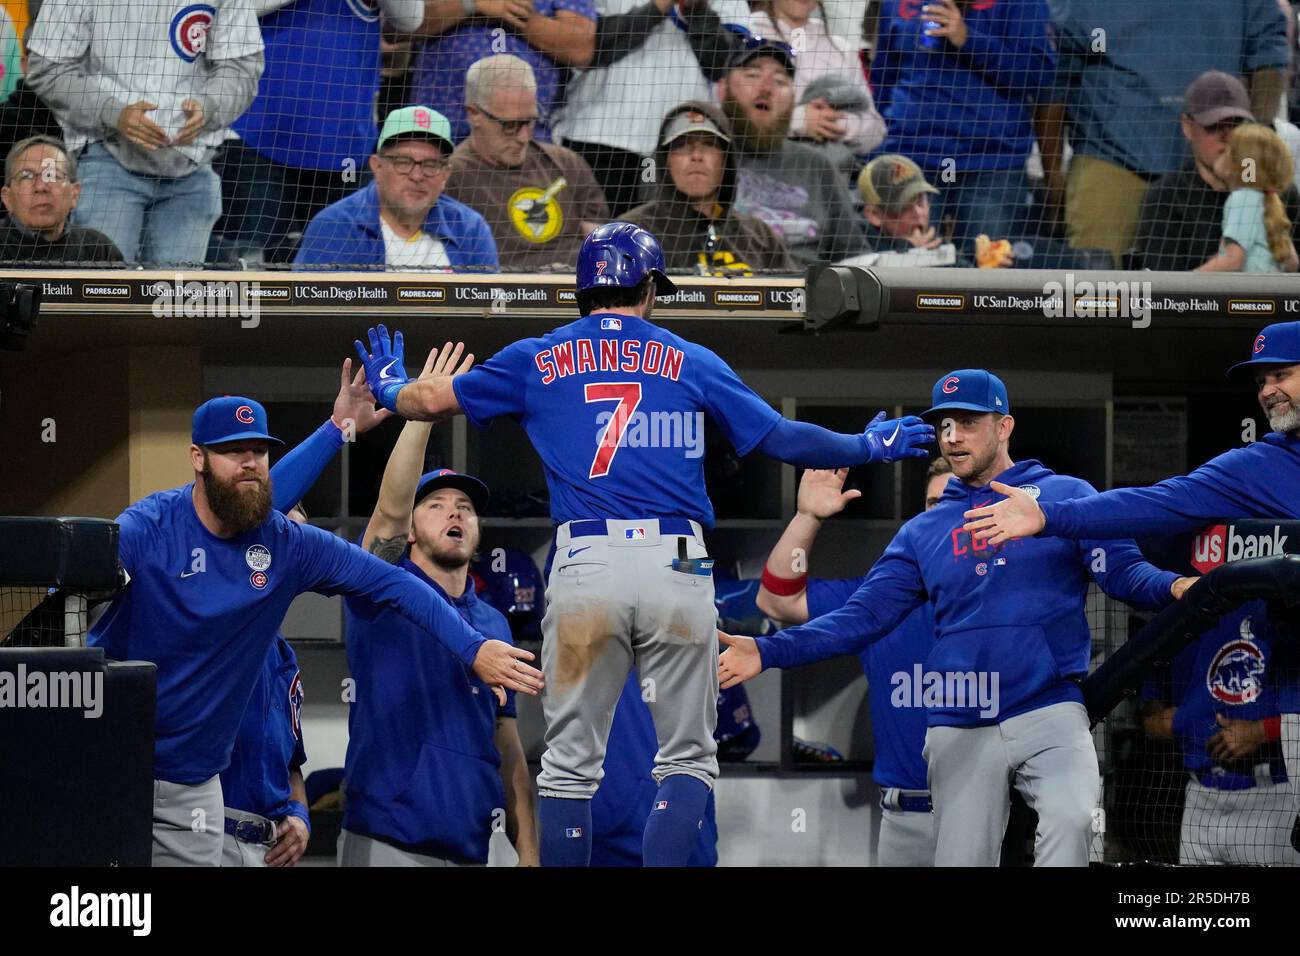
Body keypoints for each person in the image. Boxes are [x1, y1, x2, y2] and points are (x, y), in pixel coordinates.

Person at [352, 221, 934, 866]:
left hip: (585, 558)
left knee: (571, 767)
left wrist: (384, 388)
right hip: (677, 557)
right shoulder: (689, 356)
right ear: (647, 285)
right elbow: (782, 440)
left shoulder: (535, 356)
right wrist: (867, 446)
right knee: (687, 758)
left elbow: (428, 398)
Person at [718, 369, 1195, 866]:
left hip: (1046, 704)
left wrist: (1173, 585)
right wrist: (768, 650)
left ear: (1004, 426)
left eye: (967, 422)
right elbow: (859, 618)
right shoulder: (924, 531)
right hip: (962, 716)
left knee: (1074, 817)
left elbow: (1121, 570)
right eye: (945, 425)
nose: (952, 436)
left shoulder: (1063, 495)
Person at [87, 390, 543, 866]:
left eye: (260, 452)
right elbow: (69, 600)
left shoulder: (288, 545)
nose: (250, 463)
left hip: (191, 786)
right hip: (111, 762)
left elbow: (390, 582)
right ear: (197, 459)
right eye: (233, 451)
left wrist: (472, 648)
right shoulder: (149, 526)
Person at [338, 347, 539, 867]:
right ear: (410, 529)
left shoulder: (493, 619)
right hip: (388, 843)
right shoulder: (381, 589)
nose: (455, 513)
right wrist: (421, 412)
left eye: (466, 508)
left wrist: (530, 853)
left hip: (471, 849)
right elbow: (386, 514)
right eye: (436, 504)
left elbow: (509, 746)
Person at [756, 461, 952, 866]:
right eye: (934, 505)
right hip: (905, 822)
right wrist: (807, 517)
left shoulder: (1008, 602)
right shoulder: (881, 601)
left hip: (993, 815)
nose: (944, 517)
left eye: (957, 503)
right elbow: (778, 600)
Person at [1041, 0, 1290, 265]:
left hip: (1218, 160)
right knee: (1097, 291)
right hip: (1112, 157)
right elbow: (1056, 78)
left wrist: (1251, 146)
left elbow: (1267, 57)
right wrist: (1052, 176)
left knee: (1235, 287)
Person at [26, 0, 265, 265]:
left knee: (174, 303)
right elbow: (47, 66)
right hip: (106, 160)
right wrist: (113, 113)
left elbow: (241, 66)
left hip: (192, 168)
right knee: (105, 298)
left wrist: (209, 107)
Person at [208, 0, 427, 265]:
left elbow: (410, 18)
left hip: (345, 146)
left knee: (340, 274)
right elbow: (236, 6)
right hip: (257, 137)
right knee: (248, 269)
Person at [869, 0, 1054, 248]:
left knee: (988, 278)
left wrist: (968, 39)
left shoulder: (1021, 4)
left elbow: (1040, 76)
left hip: (991, 164)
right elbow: (883, 77)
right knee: (898, 275)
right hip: (910, 159)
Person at [554, 0, 751, 215]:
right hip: (597, 138)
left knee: (669, 244)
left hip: (678, 145)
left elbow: (725, 64)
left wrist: (697, 11)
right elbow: (588, 47)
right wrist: (658, 7)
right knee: (591, 241)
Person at [1142, 601, 1299, 866]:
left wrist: (1261, 731)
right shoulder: (1174, 617)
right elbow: (1151, 713)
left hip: (1269, 797)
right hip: (1198, 798)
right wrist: (1187, 718)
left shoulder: (1278, 608)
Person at [446, 54, 609, 271]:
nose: (523, 137)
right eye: (510, 125)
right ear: (474, 114)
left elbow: (601, 247)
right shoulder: (451, 178)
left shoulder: (567, 163)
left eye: (529, 122)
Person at [716, 37, 865, 265]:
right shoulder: (702, 156)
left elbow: (854, 256)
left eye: (780, 80)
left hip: (807, 292)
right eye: (752, 75)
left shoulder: (818, 167)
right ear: (722, 89)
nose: (766, 88)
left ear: (794, 99)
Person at [294, 106, 498, 271]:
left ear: (445, 174)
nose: (417, 176)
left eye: (431, 165)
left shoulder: (472, 231)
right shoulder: (334, 229)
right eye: (403, 162)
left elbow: (489, 315)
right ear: (377, 166)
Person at [1132, 71, 1300, 272]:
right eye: (1214, 125)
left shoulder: (1281, 193)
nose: (1226, 135)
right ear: (1188, 127)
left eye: (1235, 124)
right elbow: (1166, 291)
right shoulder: (1165, 198)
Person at [621, 100, 793, 274]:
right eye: (682, 145)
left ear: (726, 160)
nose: (696, 155)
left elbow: (795, 296)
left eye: (709, 144)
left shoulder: (760, 236)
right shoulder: (632, 233)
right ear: (665, 161)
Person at [408, 0, 597, 147]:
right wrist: (472, 4)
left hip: (522, 139)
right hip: (435, 131)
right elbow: (398, 27)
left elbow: (580, 49)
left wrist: (509, 11)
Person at [219, 618, 310, 867]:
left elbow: (291, 766)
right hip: (213, 839)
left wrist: (300, 816)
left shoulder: (283, 657)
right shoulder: (217, 643)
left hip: (271, 849)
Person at [747, 1, 886, 163]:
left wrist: (831, 123)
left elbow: (876, 130)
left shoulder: (840, 49)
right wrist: (799, 121)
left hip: (828, 179)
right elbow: (724, 115)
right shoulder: (743, 35)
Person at [0, 134, 121, 264]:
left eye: (52, 175)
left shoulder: (98, 250)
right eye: (27, 176)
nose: (41, 187)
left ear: (74, 193)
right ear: (7, 198)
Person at [1195, 122, 1299, 273]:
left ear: (1243, 165)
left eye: (1228, 150)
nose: (1223, 153)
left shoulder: (1242, 199)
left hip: (1247, 294)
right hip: (1270, 294)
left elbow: (1233, 261)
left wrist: (1188, 280)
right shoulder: (1268, 200)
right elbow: (1292, 263)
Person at [0, 24, 62, 163]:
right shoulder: (5, 121)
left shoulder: (89, 125)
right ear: (24, 64)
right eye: (48, 61)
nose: (58, 72)